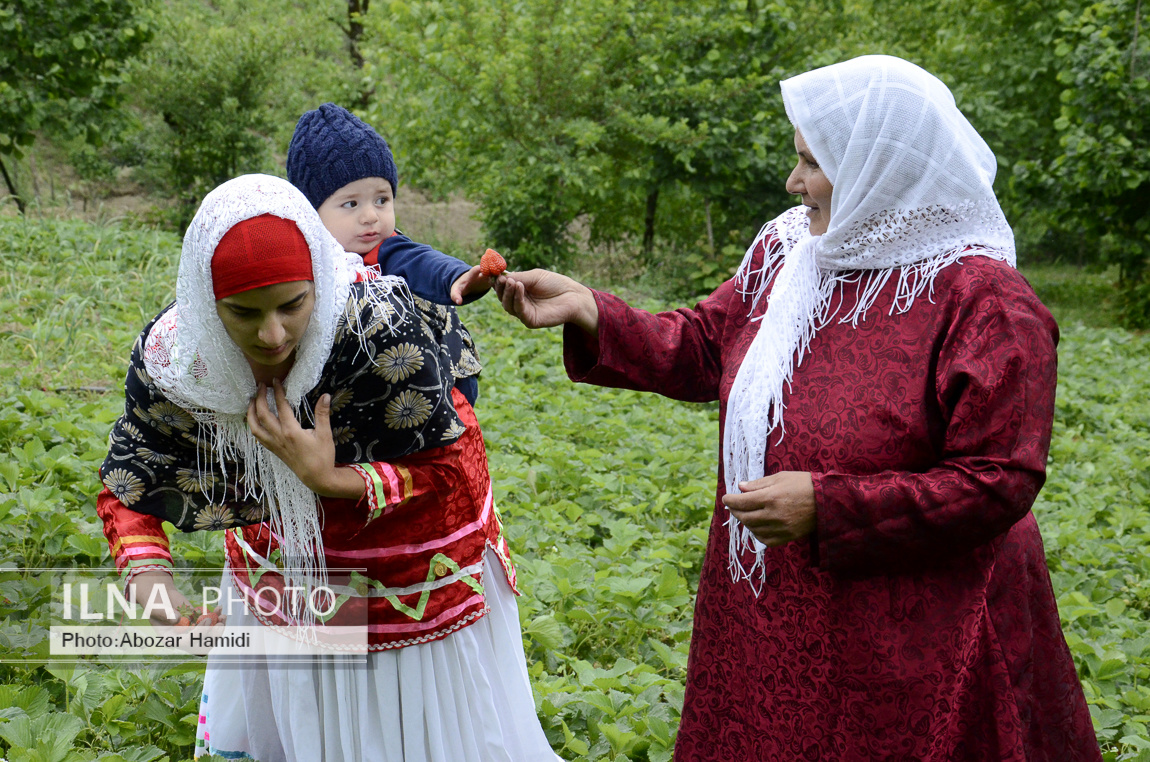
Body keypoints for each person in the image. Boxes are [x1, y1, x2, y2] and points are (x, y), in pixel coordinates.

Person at [495, 55, 1101, 760]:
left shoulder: (984, 301)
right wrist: (593, 310)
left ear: (879, 170)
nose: (793, 183)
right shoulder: (794, 252)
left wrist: (832, 506)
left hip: (919, 631)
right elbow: (707, 344)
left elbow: (999, 478)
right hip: (773, 604)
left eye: (812, 164)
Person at [96, 174, 557, 761]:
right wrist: (151, 580)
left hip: (404, 575)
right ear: (205, 305)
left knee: (400, 733)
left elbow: (449, 468)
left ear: (319, 277)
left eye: (293, 305)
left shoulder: (378, 332)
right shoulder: (182, 362)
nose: (272, 334)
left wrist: (331, 480)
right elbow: (132, 477)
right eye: (242, 313)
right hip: (282, 571)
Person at [287, 102, 488, 404]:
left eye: (381, 199)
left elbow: (420, 261)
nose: (371, 216)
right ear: (311, 212)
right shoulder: (305, 259)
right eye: (351, 204)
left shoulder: (384, 250)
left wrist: (456, 277)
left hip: (432, 394)